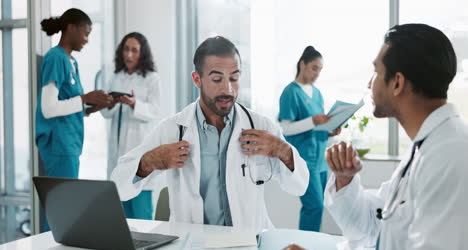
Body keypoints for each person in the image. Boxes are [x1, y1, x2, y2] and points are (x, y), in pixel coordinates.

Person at [278, 23, 468, 250]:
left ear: (397, 83)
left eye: (376, 72)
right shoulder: (425, 147)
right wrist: (345, 180)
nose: (370, 84)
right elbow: (371, 224)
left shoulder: (451, 154)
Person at [111, 36, 309, 232]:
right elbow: (118, 186)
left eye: (234, 78)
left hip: (248, 244)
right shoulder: (173, 129)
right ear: (197, 79)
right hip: (193, 247)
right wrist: (149, 162)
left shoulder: (260, 126)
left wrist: (282, 150)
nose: (228, 89)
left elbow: (299, 186)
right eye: (216, 79)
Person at [36, 8, 113, 181]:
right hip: (59, 145)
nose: (87, 40)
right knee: (63, 204)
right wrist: (85, 98)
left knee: (65, 202)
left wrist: (91, 108)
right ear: (71, 28)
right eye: (86, 34)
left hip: (69, 144)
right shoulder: (55, 58)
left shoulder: (72, 62)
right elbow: (48, 108)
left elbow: (69, 104)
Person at [278, 46, 341, 231]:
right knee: (314, 206)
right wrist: (313, 120)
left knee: (319, 207)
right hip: (304, 160)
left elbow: (316, 126)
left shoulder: (317, 93)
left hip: (320, 159)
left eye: (320, 69)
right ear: (302, 64)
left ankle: (309, 247)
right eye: (314, 68)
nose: (317, 73)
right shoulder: (291, 92)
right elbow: (285, 129)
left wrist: (330, 131)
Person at [101, 32, 162, 220]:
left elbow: (155, 111)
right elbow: (105, 113)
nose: (129, 55)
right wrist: (110, 103)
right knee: (121, 217)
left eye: (134, 50)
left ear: (142, 53)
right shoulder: (115, 77)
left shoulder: (152, 79)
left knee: (141, 216)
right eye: (126, 49)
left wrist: (135, 104)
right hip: (117, 151)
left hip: (139, 152)